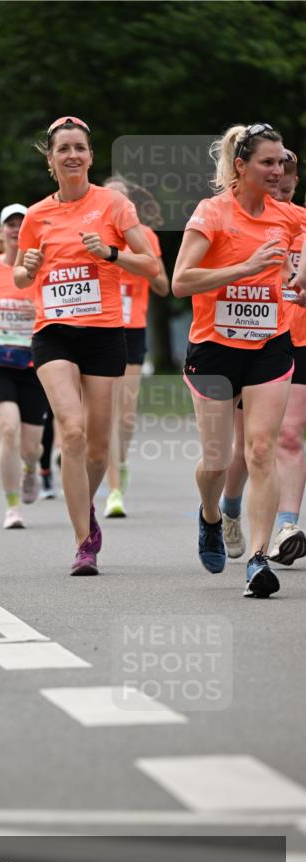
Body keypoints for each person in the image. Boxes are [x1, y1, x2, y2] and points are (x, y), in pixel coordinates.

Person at [14, 116, 159, 573]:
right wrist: (30, 266)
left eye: (80, 148)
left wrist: (111, 253)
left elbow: (152, 264)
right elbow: (20, 275)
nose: (72, 155)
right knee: (71, 431)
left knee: (97, 447)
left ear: (91, 157)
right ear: (51, 159)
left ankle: (88, 508)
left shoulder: (114, 205)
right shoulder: (36, 215)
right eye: (63, 149)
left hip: (103, 334)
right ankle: (83, 542)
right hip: (53, 332)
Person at [172, 124, 306, 597]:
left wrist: (302, 282)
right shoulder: (212, 213)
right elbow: (181, 281)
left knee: (261, 450)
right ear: (241, 166)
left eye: (280, 162)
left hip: (269, 345)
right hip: (213, 348)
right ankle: (211, 516)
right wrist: (246, 268)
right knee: (215, 458)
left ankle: (258, 557)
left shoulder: (288, 217)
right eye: (266, 163)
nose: (276, 171)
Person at [220, 149, 306, 565]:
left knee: (286, 437)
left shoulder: (299, 221)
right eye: (277, 189)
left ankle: (287, 527)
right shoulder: (242, 220)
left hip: (297, 340)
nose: (284, 197)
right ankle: (230, 508)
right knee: (245, 449)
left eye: (290, 189)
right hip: (251, 342)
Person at [0, 204, 47, 529]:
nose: (16, 229)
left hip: (33, 362)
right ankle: (12, 507)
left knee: (31, 447)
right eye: (10, 224)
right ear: (0, 233)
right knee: (8, 430)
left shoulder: (42, 267)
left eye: (22, 223)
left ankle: (31, 468)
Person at [102, 176, 170, 517]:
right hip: (99, 329)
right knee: (107, 414)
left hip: (133, 329)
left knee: (126, 417)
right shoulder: (91, 236)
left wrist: (133, 263)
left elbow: (163, 286)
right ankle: (113, 489)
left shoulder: (146, 238)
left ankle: (121, 466)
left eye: (122, 200)